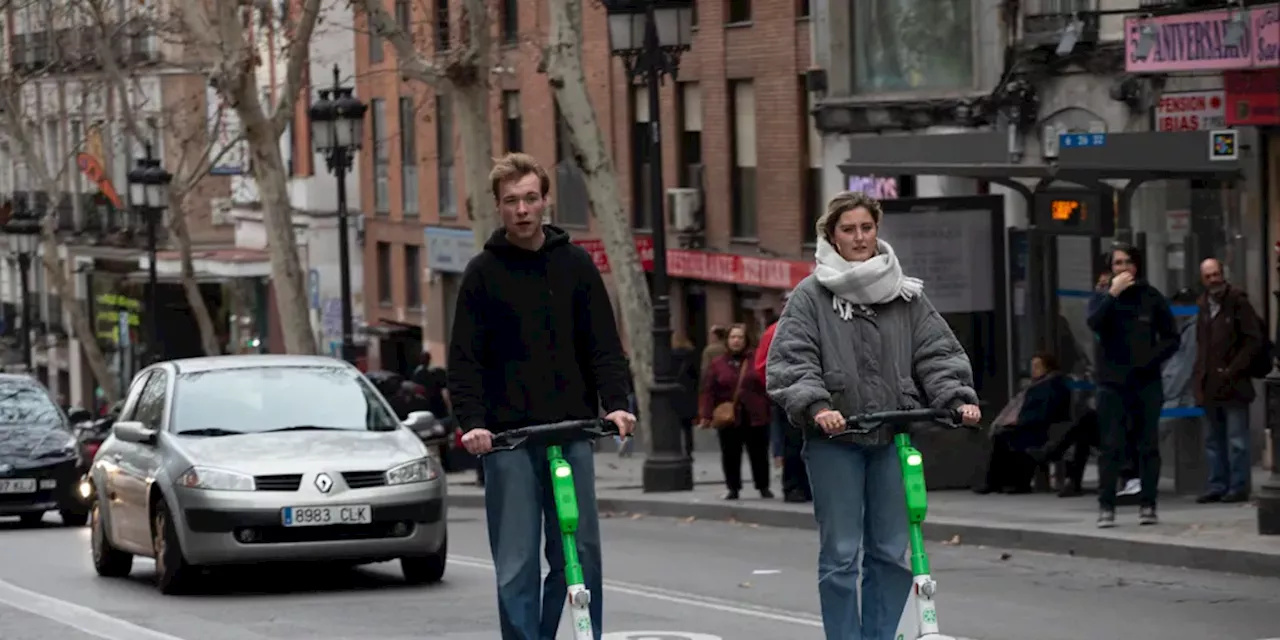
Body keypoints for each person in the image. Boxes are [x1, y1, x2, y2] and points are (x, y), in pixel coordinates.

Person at [766, 191, 981, 640]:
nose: (860, 237)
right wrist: (819, 407)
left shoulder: (904, 292)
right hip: (835, 442)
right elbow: (791, 361)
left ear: (876, 230)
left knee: (890, 552)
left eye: (867, 228)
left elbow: (937, 353)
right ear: (832, 235)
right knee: (842, 555)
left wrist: (957, 398)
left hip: (892, 437)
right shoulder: (811, 295)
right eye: (849, 229)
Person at [447, 152, 636, 640]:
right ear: (498, 207)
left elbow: (603, 346)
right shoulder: (481, 274)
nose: (523, 209)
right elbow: (464, 361)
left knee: (581, 556)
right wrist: (472, 424)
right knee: (516, 562)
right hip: (507, 441)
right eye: (512, 201)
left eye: (531, 198)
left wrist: (617, 403)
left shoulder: (576, 265)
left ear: (545, 200)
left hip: (571, 433)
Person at [1087, 243, 1179, 528]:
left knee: (1147, 445)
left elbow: (1171, 337)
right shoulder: (1104, 298)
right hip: (1112, 383)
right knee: (1111, 446)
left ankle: (1148, 504)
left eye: (1128, 263)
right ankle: (1106, 506)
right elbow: (1094, 322)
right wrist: (1112, 293)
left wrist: (1150, 360)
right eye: (1117, 263)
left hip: (1145, 382)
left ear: (1136, 266)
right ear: (1110, 269)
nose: (1123, 268)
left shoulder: (1151, 297)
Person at [1193, 258, 1264, 504]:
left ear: (1223, 274)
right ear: (1203, 279)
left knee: (1236, 439)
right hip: (1210, 382)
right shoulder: (1202, 305)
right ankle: (1217, 484)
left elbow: (1253, 341)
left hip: (1234, 382)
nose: (1214, 279)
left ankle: (1238, 486)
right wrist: (1198, 379)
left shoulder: (1237, 302)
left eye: (1216, 274)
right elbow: (1202, 345)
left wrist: (1234, 369)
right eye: (1209, 276)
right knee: (1213, 439)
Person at [976, 352, 1071, 494]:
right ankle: (997, 482)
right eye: (1032, 366)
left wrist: (1020, 421)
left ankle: (1016, 483)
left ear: (1048, 368)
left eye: (1037, 367)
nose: (1033, 370)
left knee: (1011, 438)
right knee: (1002, 436)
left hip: (1042, 428)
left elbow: (1046, 412)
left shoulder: (1051, 386)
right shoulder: (1035, 386)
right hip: (1029, 425)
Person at [698, 323, 773, 500]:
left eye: (740, 337)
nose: (736, 341)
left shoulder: (757, 359)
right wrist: (706, 415)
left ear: (746, 340)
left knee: (759, 452)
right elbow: (709, 390)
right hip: (729, 416)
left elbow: (767, 383)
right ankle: (733, 487)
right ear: (727, 340)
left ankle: (763, 486)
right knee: (730, 453)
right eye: (733, 337)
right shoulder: (718, 363)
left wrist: (769, 405)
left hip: (756, 414)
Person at [757, 309, 811, 503]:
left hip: (790, 392)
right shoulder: (779, 331)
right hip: (794, 393)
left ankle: (797, 487)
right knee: (797, 442)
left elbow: (761, 366)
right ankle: (796, 486)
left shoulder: (774, 331)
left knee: (795, 442)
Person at [671, 333, 700, 456]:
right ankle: (689, 449)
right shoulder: (692, 356)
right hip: (688, 394)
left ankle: (676, 449)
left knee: (675, 425)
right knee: (688, 426)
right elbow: (696, 376)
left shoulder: (670, 355)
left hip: (674, 393)